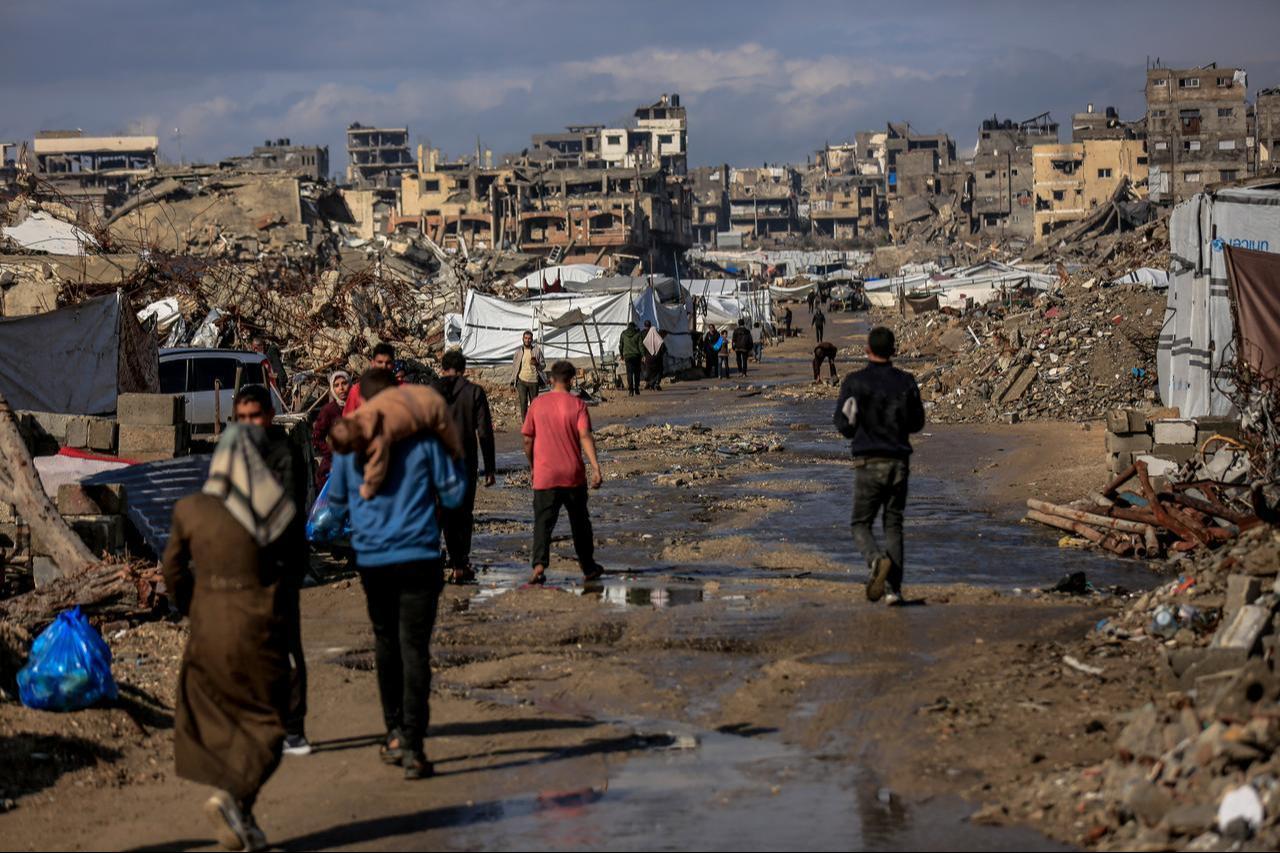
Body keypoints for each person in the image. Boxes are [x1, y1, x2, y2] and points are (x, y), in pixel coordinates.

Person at [326, 367, 466, 780]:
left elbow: (335, 504)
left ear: (364, 402)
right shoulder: (425, 441)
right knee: (415, 648)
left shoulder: (351, 446)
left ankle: (392, 732)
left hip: (373, 560)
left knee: (386, 642)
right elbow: (454, 495)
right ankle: (413, 744)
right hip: (420, 555)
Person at [162, 425, 296, 852]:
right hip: (257, 624)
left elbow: (173, 572)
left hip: (206, 628)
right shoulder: (270, 507)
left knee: (223, 717)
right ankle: (233, 796)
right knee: (273, 722)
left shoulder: (190, 508)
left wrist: (192, 607)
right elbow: (289, 566)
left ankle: (243, 816)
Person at [233, 385, 311, 756]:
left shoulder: (284, 454)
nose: (249, 424)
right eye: (242, 418)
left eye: (255, 416)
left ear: (267, 416)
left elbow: (286, 512)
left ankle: (294, 728)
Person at [833, 327, 925, 606]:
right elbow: (917, 423)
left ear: (867, 351)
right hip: (899, 461)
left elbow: (843, 424)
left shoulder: (855, 382)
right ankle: (892, 591)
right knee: (893, 524)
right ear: (894, 350)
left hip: (868, 460)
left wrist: (860, 432)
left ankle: (875, 561)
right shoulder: (906, 382)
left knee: (860, 523)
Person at [522, 360, 604, 586]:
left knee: (543, 523)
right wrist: (596, 467)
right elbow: (585, 436)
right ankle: (588, 566)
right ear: (571, 380)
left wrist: (532, 466)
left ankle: (539, 565)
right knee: (580, 523)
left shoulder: (537, 404)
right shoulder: (577, 405)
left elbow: (528, 439)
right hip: (573, 475)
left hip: (545, 475)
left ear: (550, 380)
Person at [434, 350, 496, 584]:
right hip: (465, 460)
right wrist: (490, 468)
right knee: (464, 513)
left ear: (442, 368)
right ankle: (460, 562)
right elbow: (484, 432)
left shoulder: (431, 391)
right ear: (463, 368)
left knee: (443, 512)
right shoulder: (474, 392)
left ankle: (446, 558)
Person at [311, 370, 349, 492]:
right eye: (336, 385)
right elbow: (317, 437)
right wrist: (332, 453)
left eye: (344, 383)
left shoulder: (356, 406)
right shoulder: (328, 410)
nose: (341, 388)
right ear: (332, 389)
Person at [343, 343, 397, 415]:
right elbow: (348, 419)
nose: (384, 366)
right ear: (373, 363)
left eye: (388, 363)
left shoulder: (402, 388)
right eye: (380, 362)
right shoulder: (358, 390)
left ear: (393, 365)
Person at [511, 330, 545, 422]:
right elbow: (514, 367)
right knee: (523, 403)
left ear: (532, 339)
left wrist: (537, 364)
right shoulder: (518, 352)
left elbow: (543, 365)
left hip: (534, 381)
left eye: (529, 338)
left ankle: (533, 422)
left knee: (534, 404)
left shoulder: (537, 350)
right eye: (525, 338)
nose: (527, 340)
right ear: (523, 339)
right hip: (521, 381)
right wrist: (512, 382)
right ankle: (525, 423)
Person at [619, 321, 645, 396]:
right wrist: (643, 355)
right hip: (636, 356)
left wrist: (621, 354)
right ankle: (636, 389)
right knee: (637, 373)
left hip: (627, 356)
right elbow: (641, 346)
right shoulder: (637, 334)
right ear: (634, 327)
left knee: (629, 373)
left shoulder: (623, 334)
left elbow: (621, 345)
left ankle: (631, 390)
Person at [642, 323, 665, 391]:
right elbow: (663, 349)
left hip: (649, 359)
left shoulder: (646, 340)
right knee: (659, 371)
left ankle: (651, 384)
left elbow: (643, 348)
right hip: (657, 358)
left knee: (650, 372)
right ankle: (656, 383)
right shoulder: (659, 339)